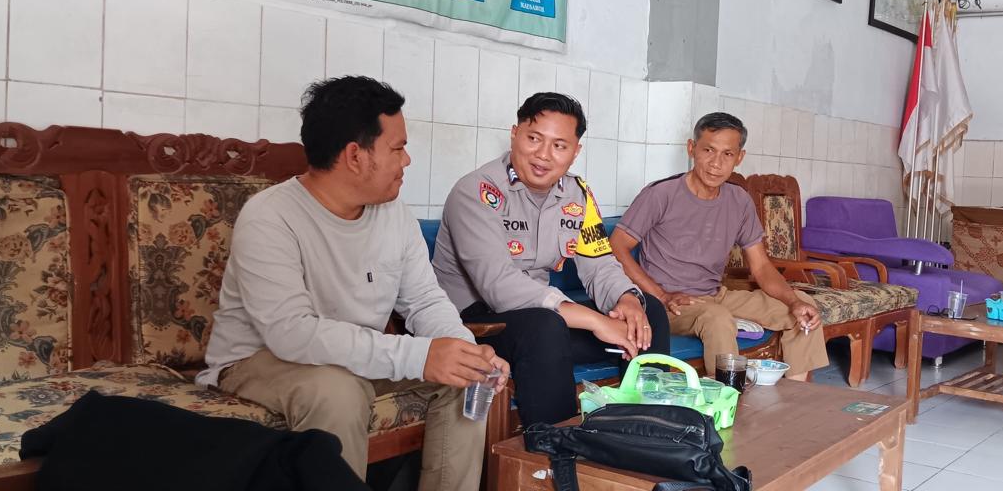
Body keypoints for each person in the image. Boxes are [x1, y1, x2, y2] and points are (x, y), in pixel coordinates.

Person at [196, 76, 508, 490]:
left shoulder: (394, 214)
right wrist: (419, 356)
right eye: (397, 148)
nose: (407, 160)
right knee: (337, 391)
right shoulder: (270, 217)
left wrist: (464, 351)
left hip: (354, 355)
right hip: (259, 360)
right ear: (355, 156)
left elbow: (424, 300)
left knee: (465, 378)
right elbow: (292, 334)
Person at [432, 92, 670, 426]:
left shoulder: (577, 194)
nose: (543, 155)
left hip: (542, 320)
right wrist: (595, 321)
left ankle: (647, 427)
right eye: (533, 139)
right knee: (545, 327)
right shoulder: (476, 191)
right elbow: (498, 287)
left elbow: (599, 263)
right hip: (475, 322)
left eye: (559, 145)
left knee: (647, 312)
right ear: (515, 134)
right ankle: (555, 446)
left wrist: (626, 298)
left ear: (575, 152)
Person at [609, 112, 828, 380]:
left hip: (714, 295)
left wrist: (793, 300)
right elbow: (616, 247)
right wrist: (661, 296)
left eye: (727, 154)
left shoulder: (739, 200)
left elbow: (761, 267)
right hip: (667, 304)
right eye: (708, 150)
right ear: (692, 148)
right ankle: (729, 399)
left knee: (802, 306)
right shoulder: (661, 194)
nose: (716, 163)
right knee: (717, 317)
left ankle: (796, 396)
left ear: (739, 158)